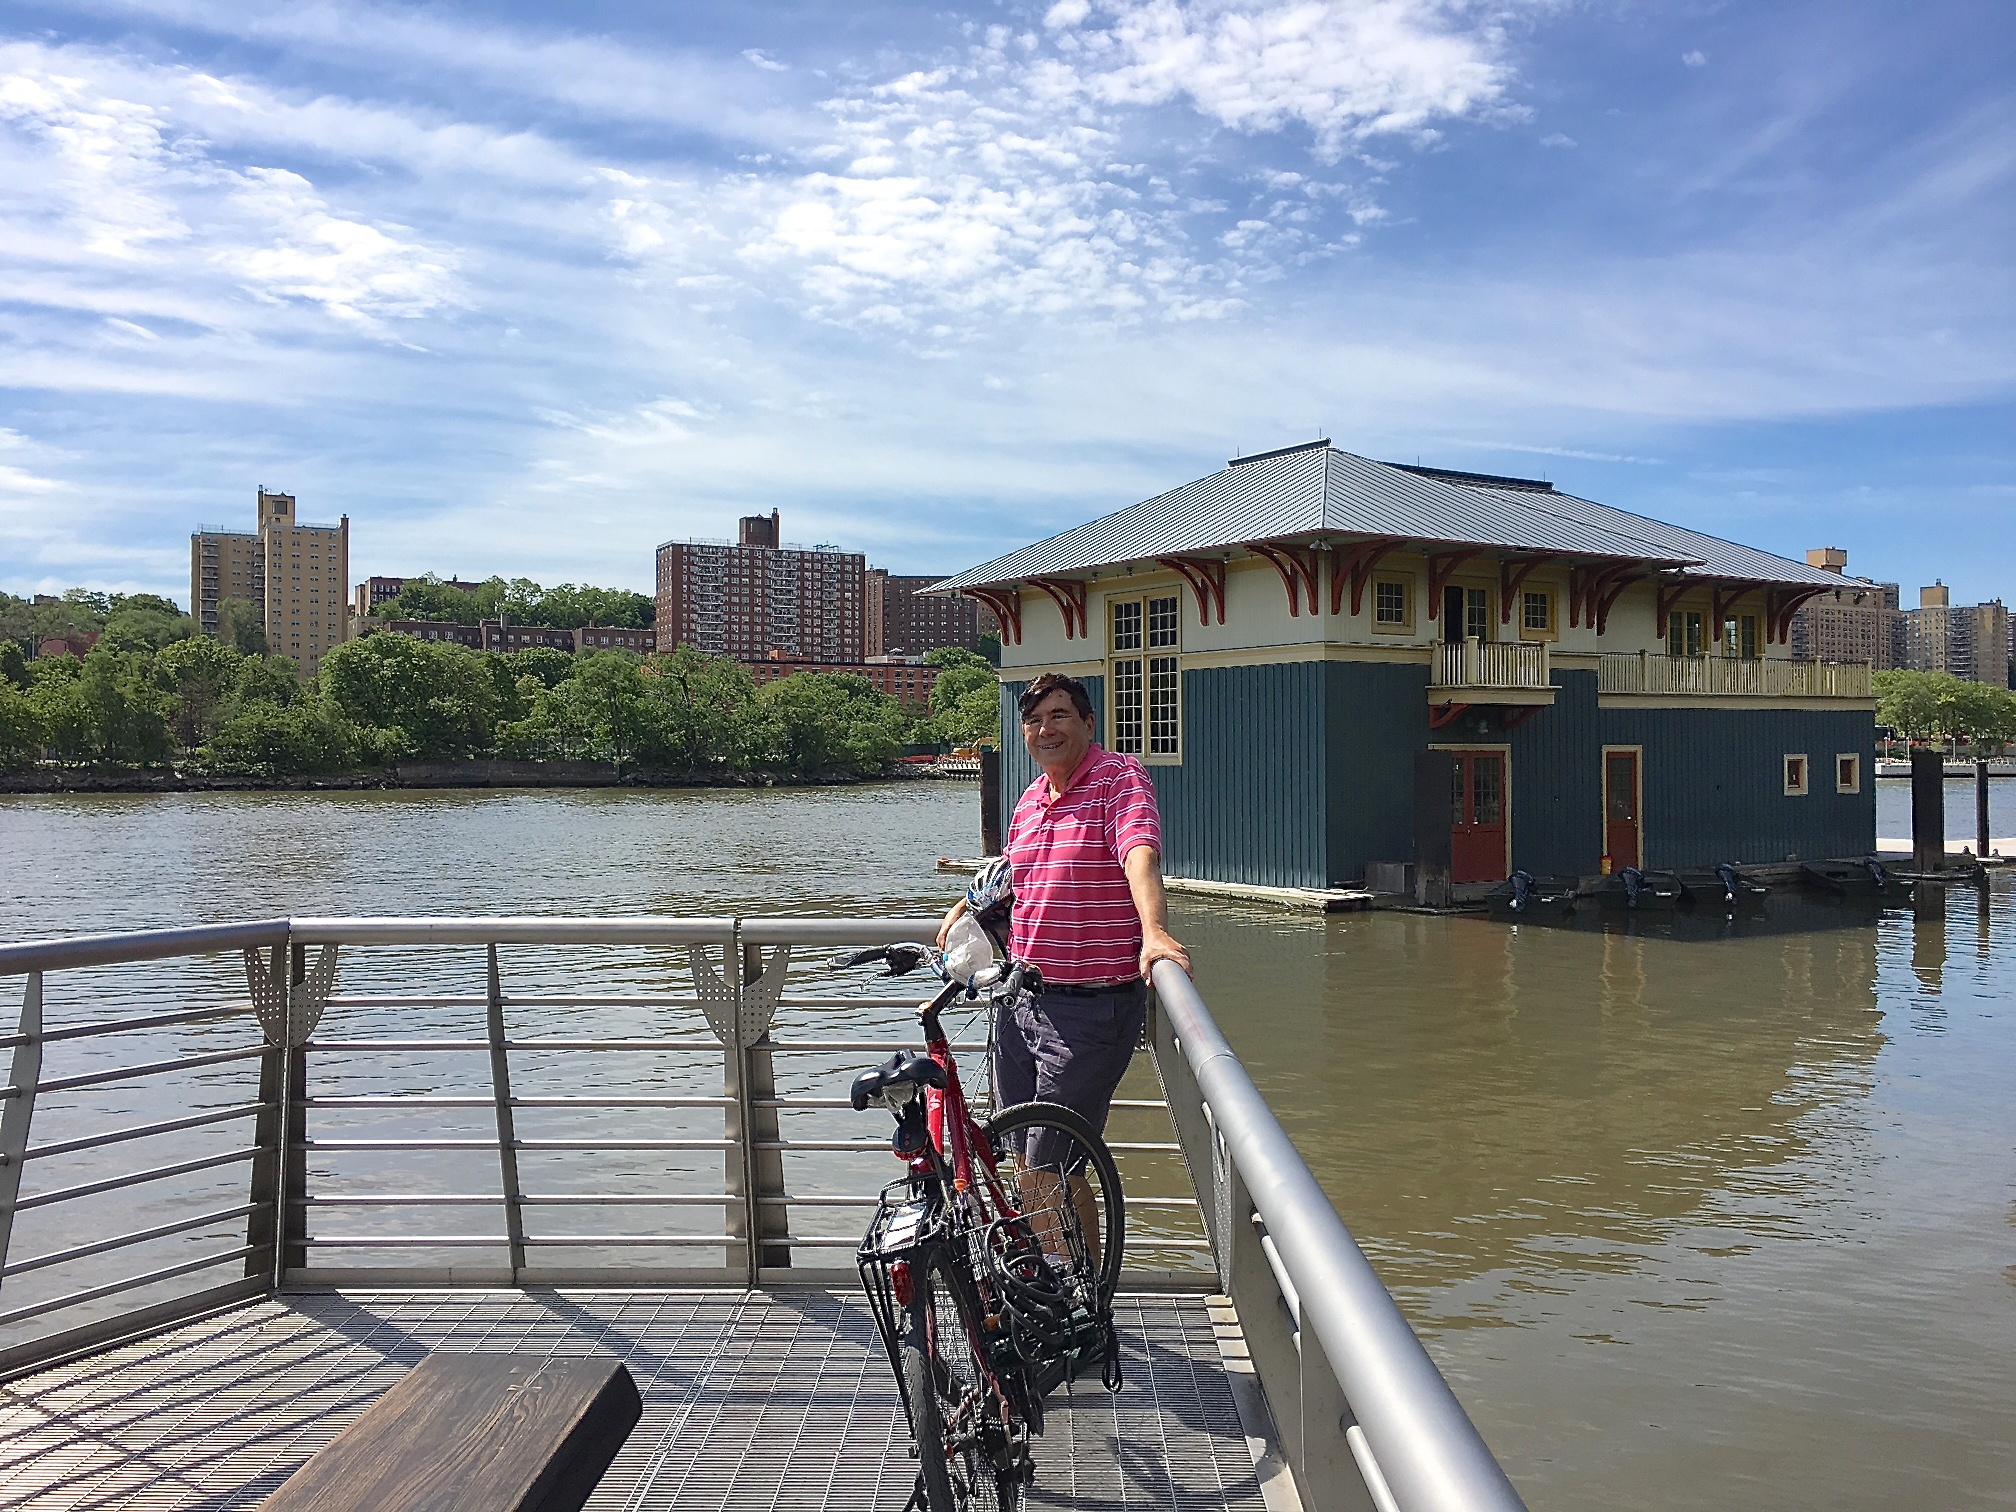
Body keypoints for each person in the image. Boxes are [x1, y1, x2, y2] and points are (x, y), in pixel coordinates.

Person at [939, 672, 1189, 1263]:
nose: (1044, 729)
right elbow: (1014, 879)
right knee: (1035, 1156)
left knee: (1048, 1161)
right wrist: (965, 907)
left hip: (1088, 1009)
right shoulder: (1029, 801)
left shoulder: (1117, 779)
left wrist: (1154, 931)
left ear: (1087, 723)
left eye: (1058, 716)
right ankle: (1069, 1284)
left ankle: (1072, 1298)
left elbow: (1140, 854)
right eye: (1033, 720)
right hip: (1020, 1001)